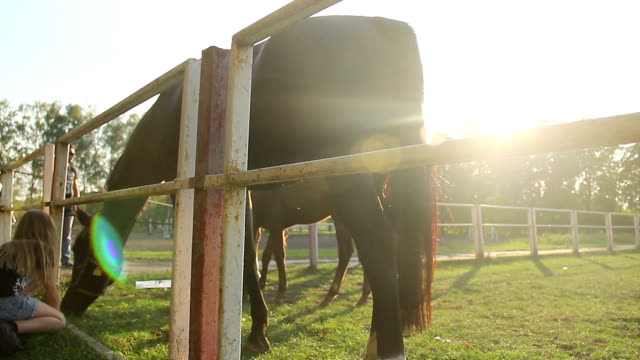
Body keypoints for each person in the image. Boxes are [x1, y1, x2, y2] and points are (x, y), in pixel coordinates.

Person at [0, 210, 66, 355]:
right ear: (48, 231)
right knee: (59, 320)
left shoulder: (6, 247)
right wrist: (51, 314)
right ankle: (10, 327)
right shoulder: (44, 251)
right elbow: (52, 295)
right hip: (9, 303)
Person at [61, 145, 80, 267]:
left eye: (73, 154)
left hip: (69, 202)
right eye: (69, 153)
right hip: (58, 201)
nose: (71, 156)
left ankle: (66, 259)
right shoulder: (57, 168)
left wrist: (76, 204)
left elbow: (76, 187)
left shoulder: (73, 170)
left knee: (67, 233)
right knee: (54, 231)